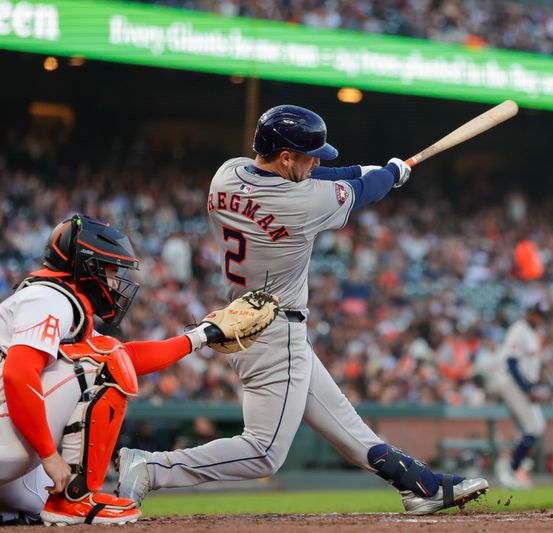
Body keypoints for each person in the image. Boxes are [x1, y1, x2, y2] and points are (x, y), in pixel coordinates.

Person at [117, 104, 488, 514]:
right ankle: (151, 468)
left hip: (241, 320)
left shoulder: (227, 173)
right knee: (264, 452)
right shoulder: (301, 205)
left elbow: (320, 177)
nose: (315, 163)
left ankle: (420, 485)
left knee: (345, 423)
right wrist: (392, 173)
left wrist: (370, 168)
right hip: (276, 330)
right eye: (307, 156)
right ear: (285, 157)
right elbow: (368, 190)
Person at [0, 214, 240, 526]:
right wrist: (48, 453)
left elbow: (130, 357)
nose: (115, 282)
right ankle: (78, 499)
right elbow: (18, 374)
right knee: (107, 359)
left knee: (33, 502)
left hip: (7, 442)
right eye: (111, 270)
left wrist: (201, 335)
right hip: (7, 443)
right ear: (86, 266)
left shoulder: (58, 299)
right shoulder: (49, 298)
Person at [477, 304, 547, 489]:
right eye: (536, 314)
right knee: (531, 428)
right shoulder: (519, 330)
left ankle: (512, 464)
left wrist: (533, 387)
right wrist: (527, 389)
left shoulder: (534, 332)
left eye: (541, 315)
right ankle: (512, 469)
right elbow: (511, 362)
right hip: (513, 384)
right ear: (528, 313)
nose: (538, 318)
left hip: (525, 385)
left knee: (537, 426)